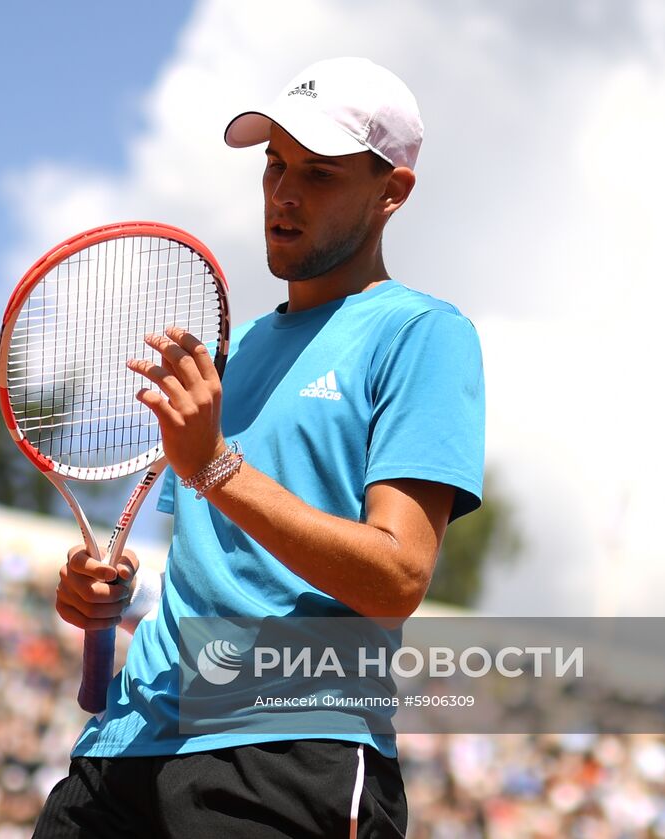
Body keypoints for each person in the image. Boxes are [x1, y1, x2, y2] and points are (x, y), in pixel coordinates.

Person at [37, 57, 485, 838]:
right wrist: (113, 599)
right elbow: (216, 573)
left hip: (288, 747)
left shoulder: (422, 335)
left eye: (317, 173)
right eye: (275, 163)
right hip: (126, 743)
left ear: (392, 192)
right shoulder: (229, 352)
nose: (283, 191)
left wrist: (215, 465)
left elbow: (397, 576)